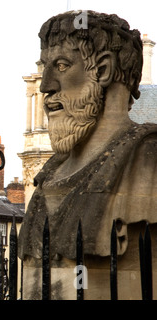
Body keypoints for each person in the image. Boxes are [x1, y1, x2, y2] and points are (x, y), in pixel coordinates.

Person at [18, 11, 157, 298]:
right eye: (45, 68)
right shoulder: (50, 173)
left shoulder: (147, 160)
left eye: (61, 65)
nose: (46, 86)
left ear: (103, 70)